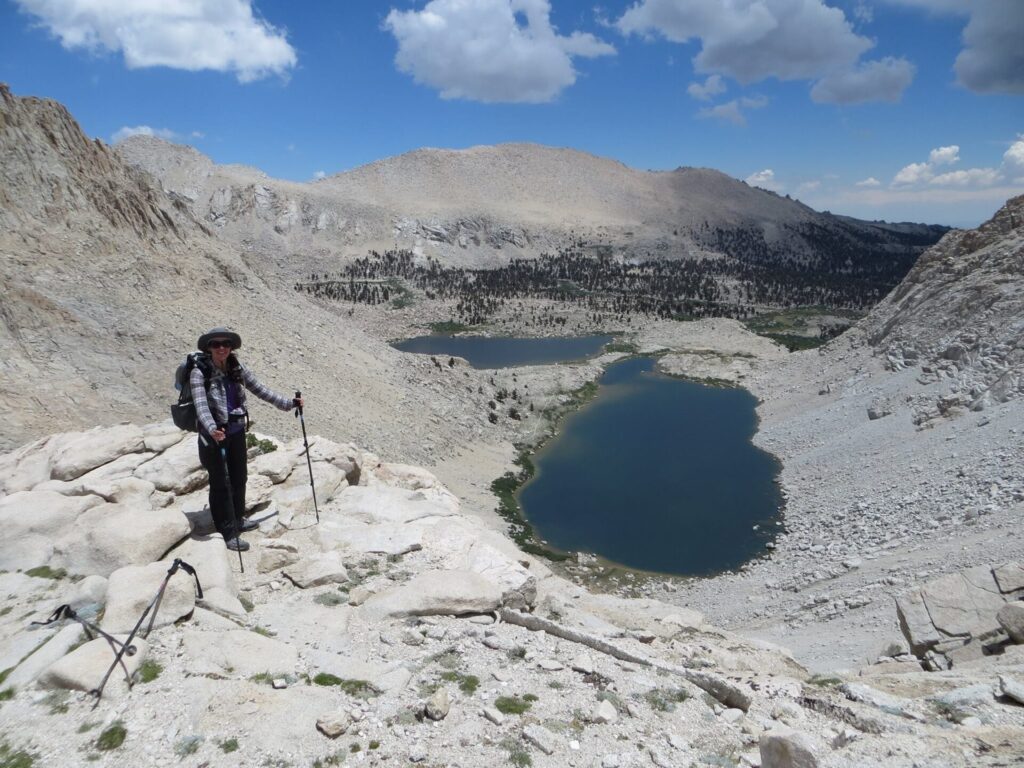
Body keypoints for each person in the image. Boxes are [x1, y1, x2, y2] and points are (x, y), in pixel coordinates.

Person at [191, 327, 302, 551]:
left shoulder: (237, 368)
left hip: (236, 431)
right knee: (221, 482)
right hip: (214, 437)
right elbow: (200, 405)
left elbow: (260, 390)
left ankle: (238, 518)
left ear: (231, 347)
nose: (221, 348)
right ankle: (227, 530)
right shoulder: (199, 372)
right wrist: (212, 428)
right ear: (209, 348)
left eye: (225, 344)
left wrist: (288, 403)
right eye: (216, 344)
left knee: (239, 476)